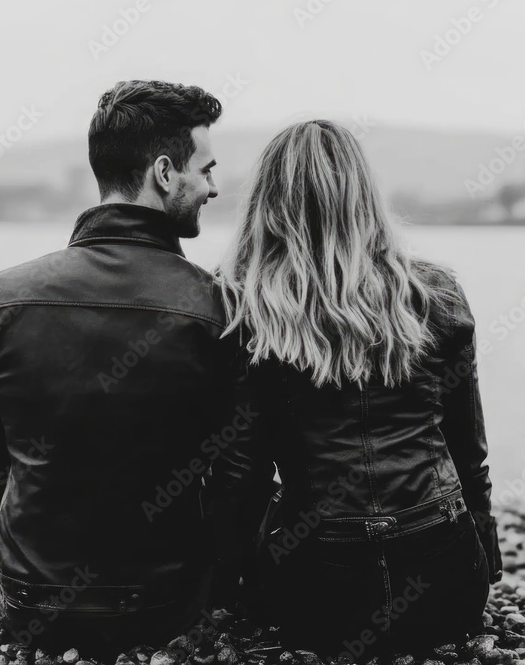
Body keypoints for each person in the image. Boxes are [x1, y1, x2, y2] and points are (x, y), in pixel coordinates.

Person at [210, 119, 503, 658]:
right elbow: (467, 446)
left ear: (267, 203)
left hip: (319, 595)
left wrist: (228, 579)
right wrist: (484, 542)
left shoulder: (244, 305)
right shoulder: (434, 292)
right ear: (364, 195)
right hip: (446, 584)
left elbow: (239, 472)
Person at [0, 79, 233, 656]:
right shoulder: (215, 307)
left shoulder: (2, 297)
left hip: (30, 599)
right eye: (206, 169)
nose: (215, 187)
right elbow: (235, 466)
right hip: (164, 604)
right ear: (164, 173)